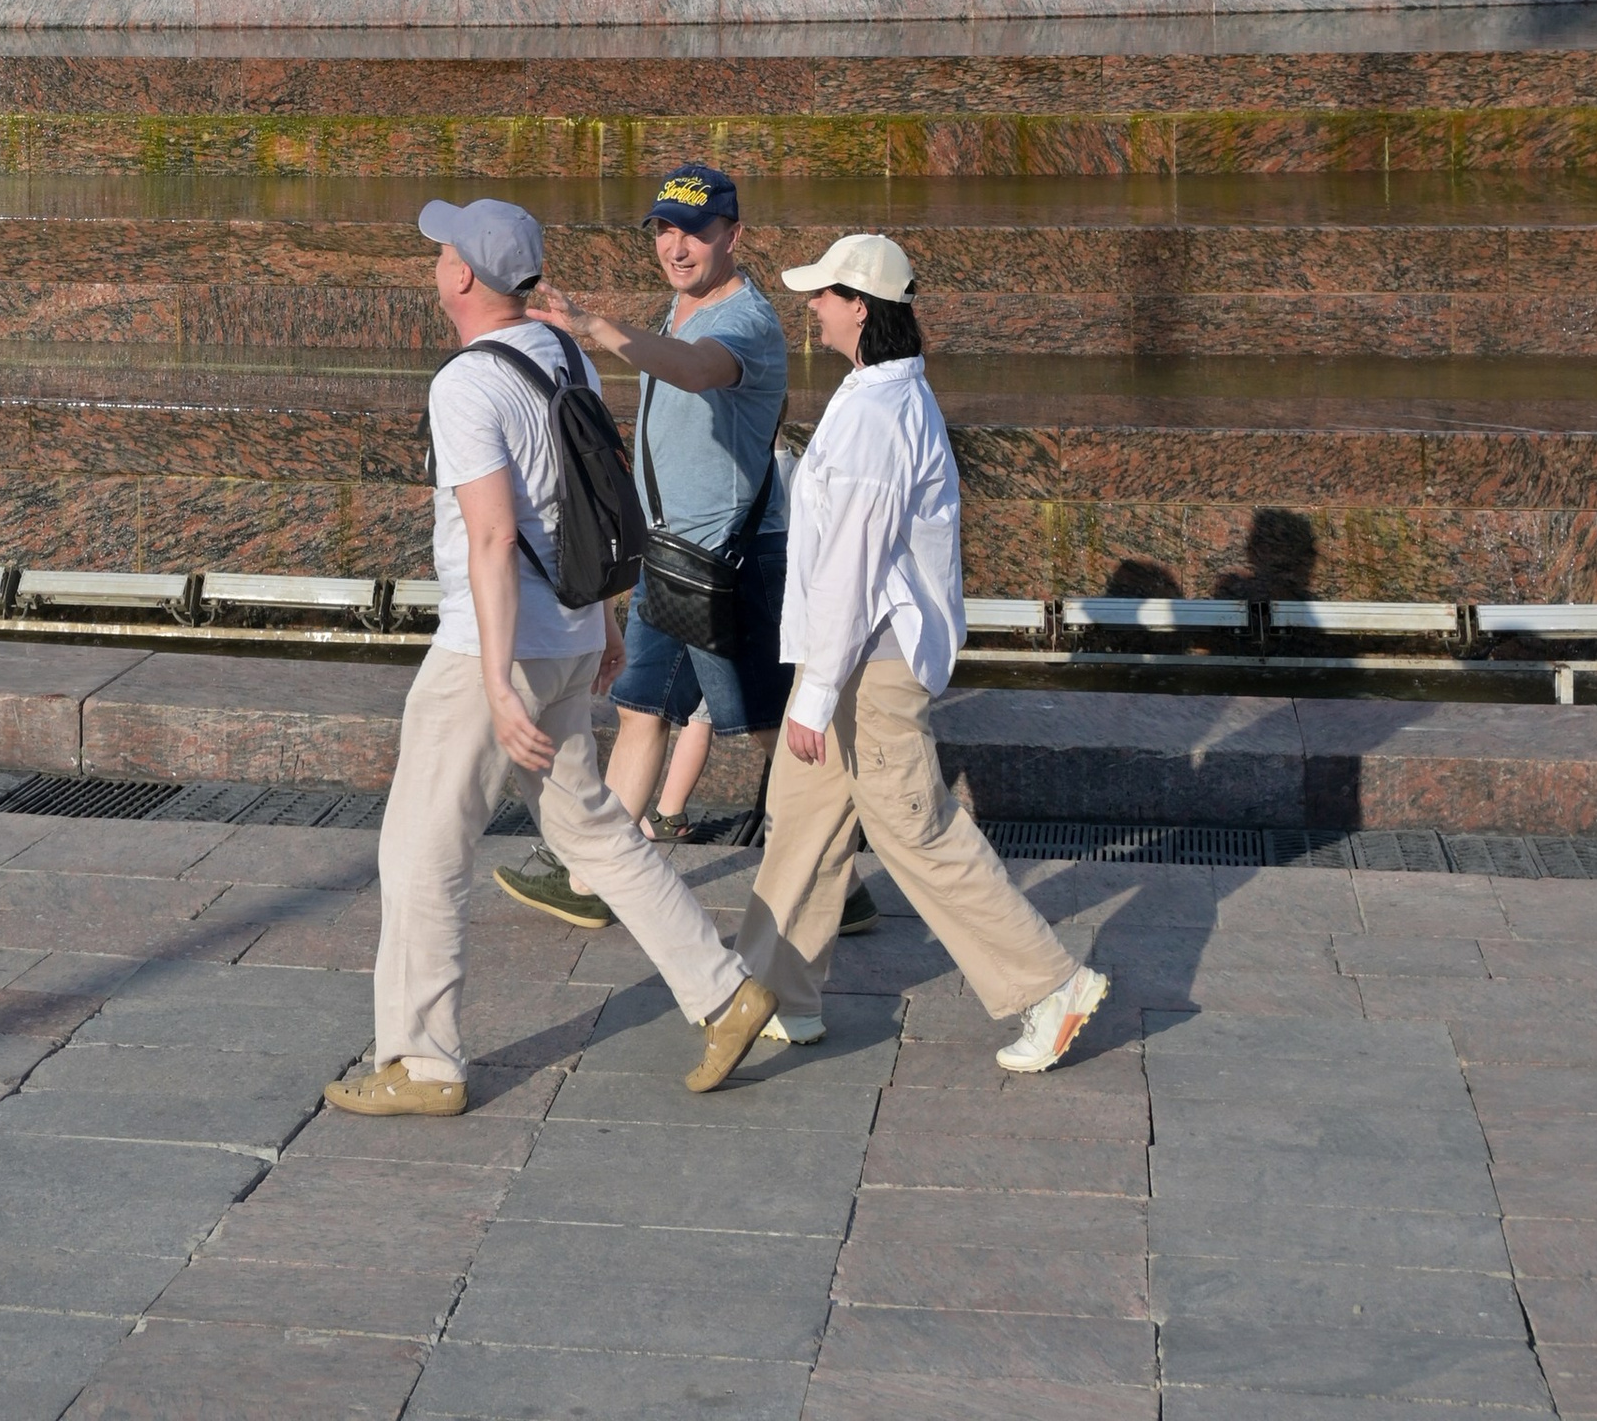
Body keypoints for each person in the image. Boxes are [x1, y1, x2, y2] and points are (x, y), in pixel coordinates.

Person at [324, 195, 776, 1117]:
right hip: (569, 633)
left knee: (421, 850)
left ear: (461, 275)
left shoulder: (464, 384)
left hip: (498, 650)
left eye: (443, 249)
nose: (436, 260)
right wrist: (602, 620)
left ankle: (422, 1061)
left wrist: (494, 681)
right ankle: (726, 990)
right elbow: (588, 493)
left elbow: (492, 540)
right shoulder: (558, 349)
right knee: (592, 833)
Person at [736, 231, 1110, 1076]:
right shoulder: (878, 393)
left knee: (915, 830)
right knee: (802, 824)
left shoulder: (876, 412)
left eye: (824, 295)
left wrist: (811, 690)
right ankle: (773, 995)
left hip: (870, 664)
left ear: (860, 307)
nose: (813, 308)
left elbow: (852, 568)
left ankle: (1050, 988)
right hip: (854, 655)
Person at [492, 162, 791, 928]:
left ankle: (840, 872)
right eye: (664, 229)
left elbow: (695, 374)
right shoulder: (684, 305)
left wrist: (596, 329)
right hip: (674, 555)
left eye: (695, 231)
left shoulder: (744, 323)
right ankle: (599, 881)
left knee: (765, 729)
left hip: (728, 561)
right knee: (639, 711)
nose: (678, 246)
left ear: (734, 234)